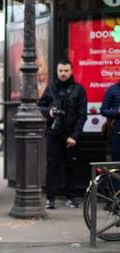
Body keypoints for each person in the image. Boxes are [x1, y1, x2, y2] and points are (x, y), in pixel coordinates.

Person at [38, 59, 87, 209]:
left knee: (71, 166)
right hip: (53, 133)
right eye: (61, 71)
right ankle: (50, 198)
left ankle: (71, 197)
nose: (63, 74)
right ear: (57, 71)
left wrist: (75, 136)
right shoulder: (50, 88)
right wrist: (50, 112)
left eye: (66, 70)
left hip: (71, 134)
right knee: (52, 166)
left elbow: (82, 115)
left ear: (71, 71)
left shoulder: (79, 90)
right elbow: (40, 107)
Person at [101, 80, 120, 162]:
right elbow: (103, 110)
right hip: (117, 135)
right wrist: (117, 111)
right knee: (116, 165)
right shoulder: (113, 89)